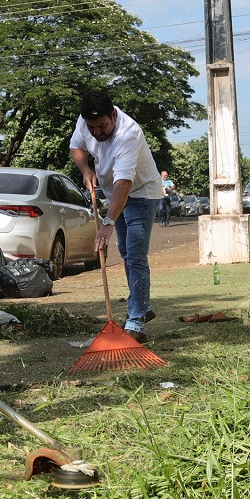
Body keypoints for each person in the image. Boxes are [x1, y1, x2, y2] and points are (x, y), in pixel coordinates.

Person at [69, 89, 160, 343]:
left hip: (141, 193)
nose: (97, 132)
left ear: (113, 115)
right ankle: (141, 307)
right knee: (128, 255)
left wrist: (107, 223)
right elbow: (76, 146)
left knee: (136, 254)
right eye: (92, 127)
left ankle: (136, 320)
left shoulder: (128, 134)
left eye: (102, 126)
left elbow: (124, 183)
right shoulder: (85, 121)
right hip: (115, 195)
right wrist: (86, 169)